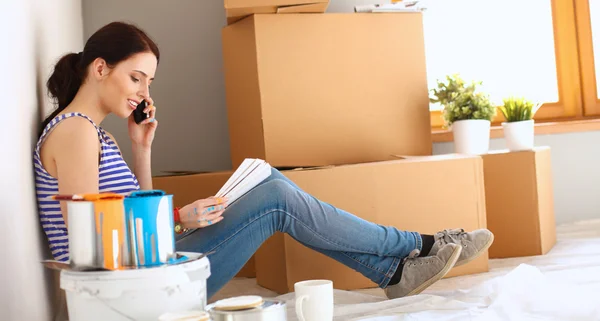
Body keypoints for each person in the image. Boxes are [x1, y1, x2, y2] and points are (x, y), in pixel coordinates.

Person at [34, 21, 494, 300]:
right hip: (137, 290)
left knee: (268, 182)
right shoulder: (75, 131)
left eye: (148, 83)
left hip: (147, 272)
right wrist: (178, 218)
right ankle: (418, 245)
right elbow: (92, 246)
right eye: (137, 78)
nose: (144, 93)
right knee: (275, 197)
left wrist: (142, 148)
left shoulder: (91, 133)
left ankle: (393, 270)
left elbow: (127, 219)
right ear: (100, 68)